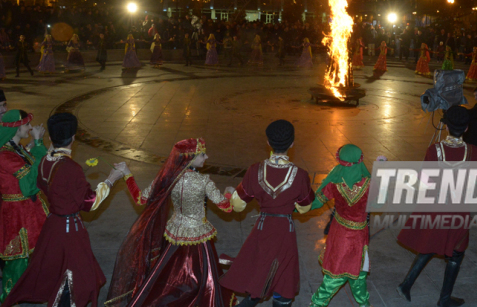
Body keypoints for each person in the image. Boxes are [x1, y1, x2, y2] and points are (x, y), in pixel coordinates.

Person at [2, 113, 126, 307]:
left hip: (52, 226)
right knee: (80, 279)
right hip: (71, 229)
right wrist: (111, 179)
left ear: (50, 138)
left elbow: (42, 185)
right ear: (73, 138)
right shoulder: (71, 168)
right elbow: (90, 203)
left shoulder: (44, 161)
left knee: (60, 271)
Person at [105, 138, 235, 307]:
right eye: (202, 154)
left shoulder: (167, 179)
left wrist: (127, 173)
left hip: (174, 235)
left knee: (170, 275)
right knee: (204, 277)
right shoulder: (204, 182)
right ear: (190, 157)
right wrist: (229, 193)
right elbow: (227, 207)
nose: (207, 157)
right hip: (198, 237)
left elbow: (140, 198)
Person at [221, 120, 314, 307]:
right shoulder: (300, 175)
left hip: (263, 227)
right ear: (292, 143)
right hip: (285, 230)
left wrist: (229, 193)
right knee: (284, 273)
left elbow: (238, 206)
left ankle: (253, 298)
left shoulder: (255, 170)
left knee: (260, 266)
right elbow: (305, 207)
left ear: (268, 143)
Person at [397, 106, 477, 307]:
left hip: (435, 206)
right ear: (467, 128)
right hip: (458, 209)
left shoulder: (434, 149)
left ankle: (406, 285)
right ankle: (444, 298)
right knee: (456, 251)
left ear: (445, 126)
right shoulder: (473, 151)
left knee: (431, 244)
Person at [308, 144, 371, 307]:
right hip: (358, 236)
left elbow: (315, 202)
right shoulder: (370, 184)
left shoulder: (334, 181)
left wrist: (292, 205)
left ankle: (319, 304)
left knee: (342, 273)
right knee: (352, 273)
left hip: (340, 233)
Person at [0, 110, 49, 302]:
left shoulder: (15, 147)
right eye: (27, 125)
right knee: (17, 261)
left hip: (28, 210)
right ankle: (9, 299)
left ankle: (30, 292)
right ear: (16, 128)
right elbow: (29, 185)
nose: (30, 128)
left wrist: (31, 148)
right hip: (16, 214)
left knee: (33, 256)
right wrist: (38, 144)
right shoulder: (5, 155)